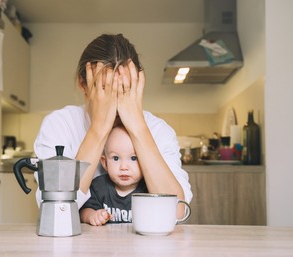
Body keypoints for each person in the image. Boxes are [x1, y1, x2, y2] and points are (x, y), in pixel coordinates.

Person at [34, 33, 192, 218]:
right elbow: (55, 211)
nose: (115, 99)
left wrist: (138, 127)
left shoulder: (158, 130)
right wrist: (99, 129)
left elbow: (177, 212)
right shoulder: (59, 125)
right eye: (104, 89)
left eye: (124, 89)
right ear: (83, 85)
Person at [80, 124, 148, 226]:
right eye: (116, 158)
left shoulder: (148, 188)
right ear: (105, 162)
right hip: (106, 240)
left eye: (133, 158)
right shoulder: (99, 186)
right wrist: (92, 215)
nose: (124, 167)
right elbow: (83, 211)